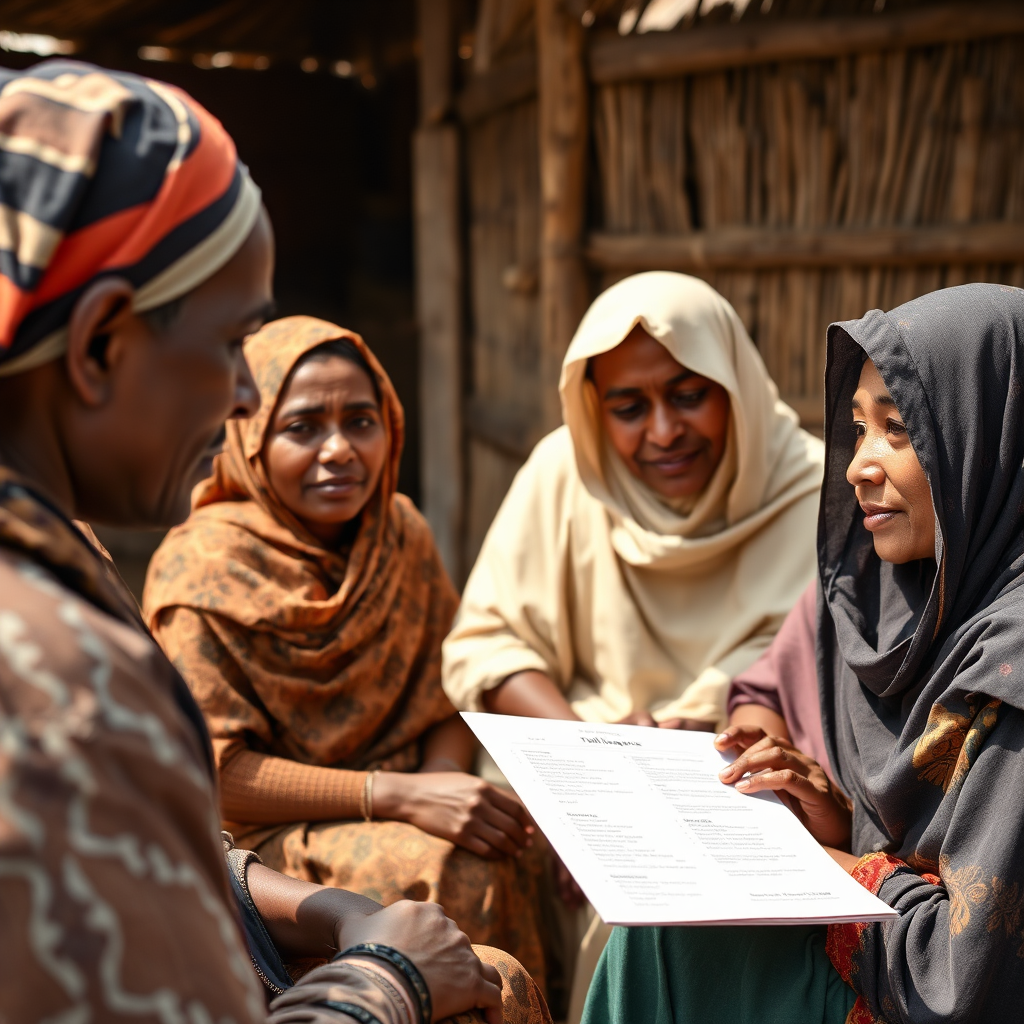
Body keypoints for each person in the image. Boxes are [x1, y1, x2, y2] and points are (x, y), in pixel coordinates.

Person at [0, 59, 550, 1024]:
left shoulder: (63, 557)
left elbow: (167, 855)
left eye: (361, 420)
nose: (243, 400)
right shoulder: (49, 679)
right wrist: (389, 978)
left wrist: (337, 911)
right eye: (227, 347)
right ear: (98, 348)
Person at [583, 282, 1024, 1024]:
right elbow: (771, 692)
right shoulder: (889, 593)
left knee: (666, 941)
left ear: (994, 443)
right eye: (858, 428)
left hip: (918, 996)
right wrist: (833, 815)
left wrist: (830, 867)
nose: (857, 465)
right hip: (880, 950)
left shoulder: (1010, 671)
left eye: (900, 431)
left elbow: (963, 978)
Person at [442, 270, 825, 1017]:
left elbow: (804, 672)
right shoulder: (565, 472)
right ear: (592, 409)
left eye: (688, 394)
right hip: (570, 747)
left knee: (662, 896)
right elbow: (489, 645)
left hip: (738, 767)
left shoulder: (815, 490)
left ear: (735, 385)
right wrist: (592, 776)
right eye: (627, 407)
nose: (662, 432)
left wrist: (671, 766)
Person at [143, 314, 548, 991]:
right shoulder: (202, 566)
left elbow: (442, 689)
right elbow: (216, 773)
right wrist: (403, 797)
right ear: (249, 435)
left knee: (511, 839)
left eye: (361, 421)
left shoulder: (399, 534)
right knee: (458, 867)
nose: (340, 450)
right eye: (302, 428)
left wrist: (447, 789)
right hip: (262, 845)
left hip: (402, 798)